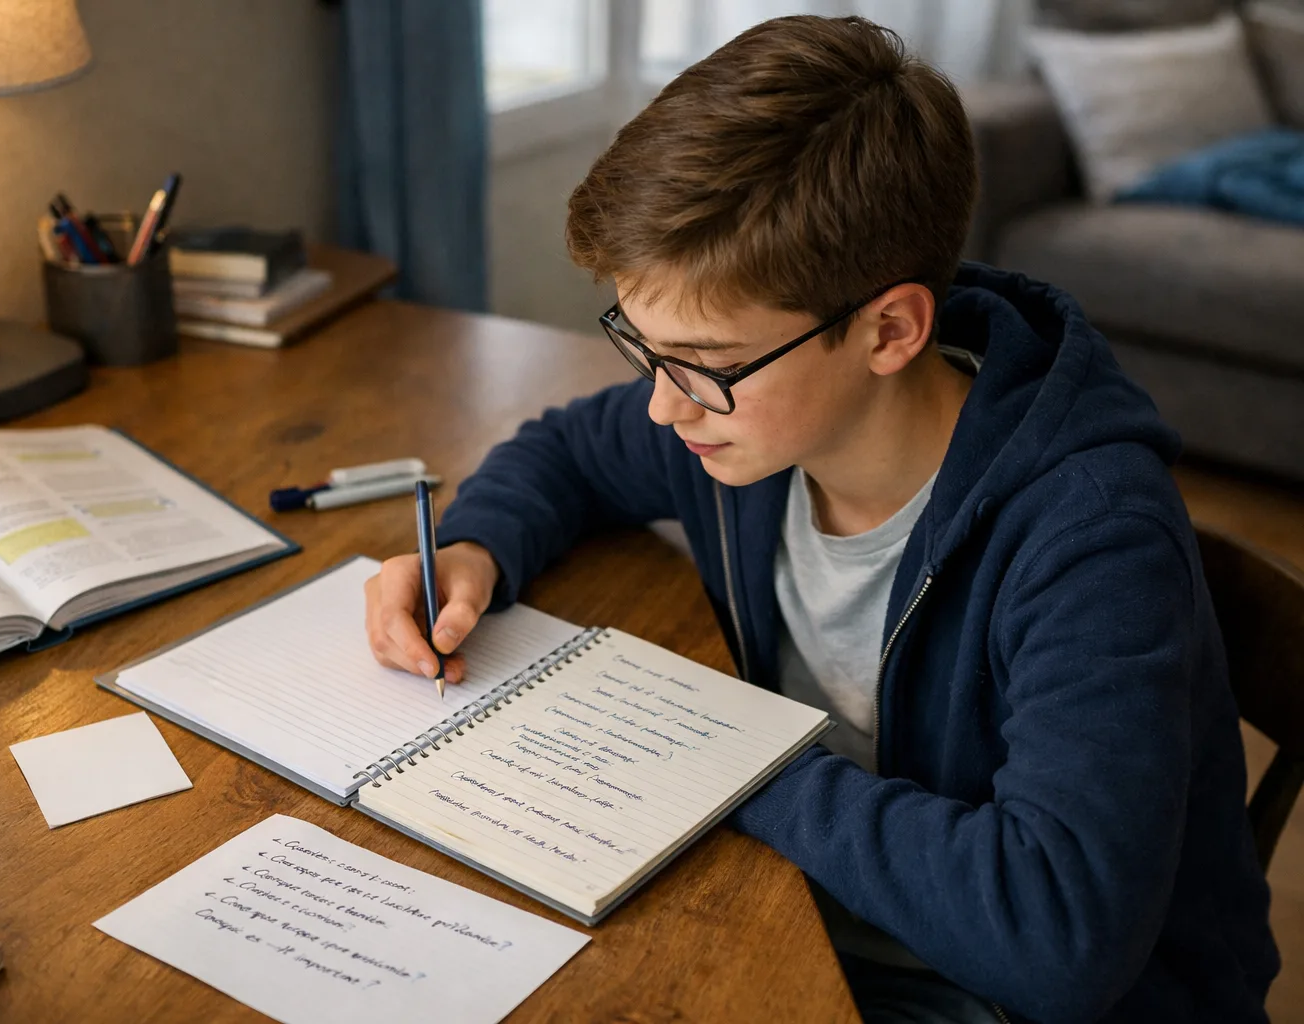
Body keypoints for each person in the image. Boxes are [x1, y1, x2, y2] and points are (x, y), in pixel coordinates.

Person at [363, 15, 1277, 1022]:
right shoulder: (748, 422)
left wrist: (727, 760)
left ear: (888, 329)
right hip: (797, 916)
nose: (664, 407)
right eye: (640, 342)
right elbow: (568, 450)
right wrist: (471, 547)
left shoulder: (1088, 537)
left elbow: (1058, 934)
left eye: (704, 366)